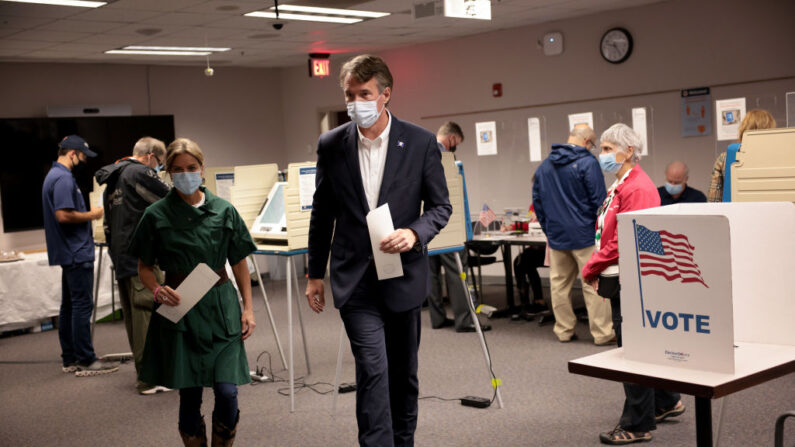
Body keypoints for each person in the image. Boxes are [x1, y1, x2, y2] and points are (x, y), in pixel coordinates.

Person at [305, 54, 452, 447]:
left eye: (364, 94)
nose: (355, 103)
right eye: (349, 95)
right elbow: (323, 215)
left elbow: (440, 207)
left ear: (385, 94)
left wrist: (414, 233)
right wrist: (314, 274)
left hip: (402, 275)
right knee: (372, 370)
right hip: (355, 282)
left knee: (403, 375)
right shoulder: (332, 145)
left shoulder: (420, 142)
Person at [128, 138, 257, 446]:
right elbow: (144, 267)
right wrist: (158, 290)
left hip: (220, 308)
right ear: (168, 173)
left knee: (227, 392)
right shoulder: (156, 215)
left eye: (191, 168)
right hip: (180, 308)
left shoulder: (224, 211)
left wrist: (249, 309)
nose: (185, 174)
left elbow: (239, 262)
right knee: (189, 395)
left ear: (202, 169)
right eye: (177, 169)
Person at [581, 124, 685, 445]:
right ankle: (667, 401)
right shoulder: (623, 183)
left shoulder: (636, 187)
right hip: (628, 275)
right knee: (643, 344)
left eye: (610, 148)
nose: (603, 154)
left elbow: (627, 238)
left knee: (633, 350)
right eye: (602, 148)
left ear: (629, 151)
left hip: (634, 279)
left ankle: (637, 424)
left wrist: (592, 265)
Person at [94, 137, 170, 395]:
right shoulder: (142, 172)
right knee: (147, 313)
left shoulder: (113, 177)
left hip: (121, 256)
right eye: (160, 163)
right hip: (142, 258)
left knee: (134, 317)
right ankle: (149, 378)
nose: (159, 169)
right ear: (150, 157)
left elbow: (107, 224)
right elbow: (170, 202)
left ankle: (145, 372)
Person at [41, 134, 119, 377]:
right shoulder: (63, 179)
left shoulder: (52, 176)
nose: (84, 161)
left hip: (67, 252)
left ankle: (71, 357)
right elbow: (64, 215)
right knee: (82, 306)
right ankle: (86, 360)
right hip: (76, 252)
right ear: (72, 153)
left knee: (69, 307)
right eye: (82, 156)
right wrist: (93, 214)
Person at [532, 124, 613, 345]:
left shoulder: (545, 166)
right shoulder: (588, 163)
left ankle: (563, 330)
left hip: (557, 237)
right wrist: (599, 231)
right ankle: (602, 333)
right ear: (587, 141)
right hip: (585, 235)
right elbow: (599, 201)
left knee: (559, 285)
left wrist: (549, 228)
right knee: (593, 284)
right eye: (594, 144)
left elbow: (537, 202)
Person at [427, 121, 490, 332]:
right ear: (452, 138)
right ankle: (464, 319)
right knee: (456, 272)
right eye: (457, 143)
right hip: (446, 225)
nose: (456, 147)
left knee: (432, 273)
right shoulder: (443, 155)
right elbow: (450, 193)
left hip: (426, 224)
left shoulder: (422, 151)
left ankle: (437, 318)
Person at [707, 109, 776, 202]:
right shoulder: (780, 156)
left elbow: (714, 201)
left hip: (737, 214)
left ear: (743, 129)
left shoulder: (725, 158)